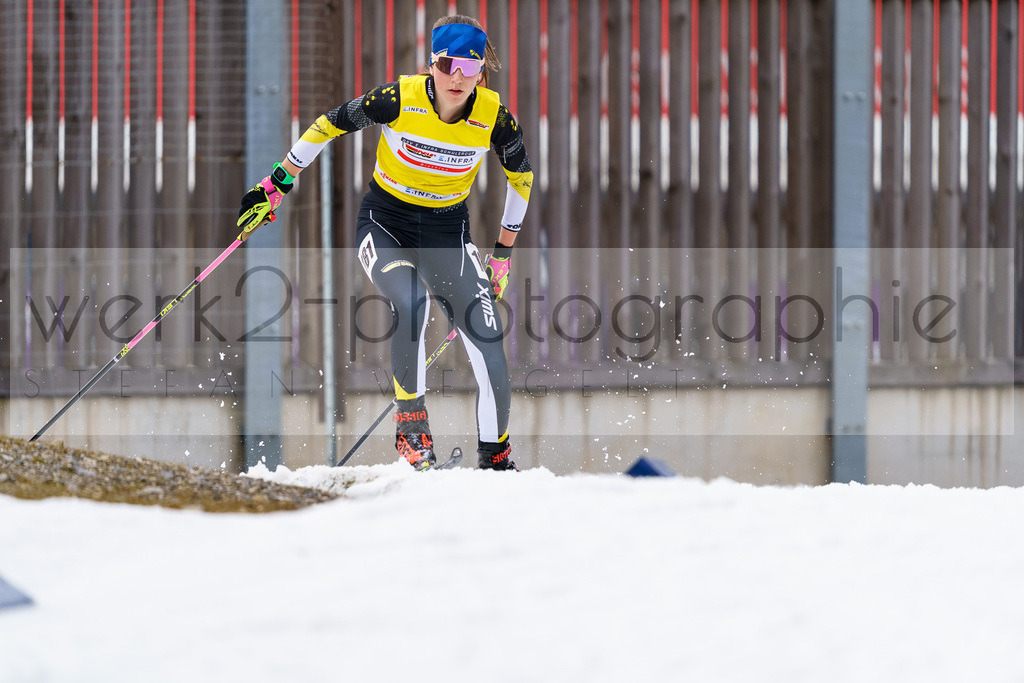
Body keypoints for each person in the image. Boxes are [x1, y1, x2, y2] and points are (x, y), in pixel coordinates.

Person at [237, 15, 531, 471]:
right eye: (449, 64)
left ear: (481, 72)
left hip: (446, 234)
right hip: (385, 225)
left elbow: (522, 177)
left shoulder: (493, 116)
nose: (459, 77)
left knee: (488, 340)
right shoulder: (399, 99)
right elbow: (327, 124)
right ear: (432, 64)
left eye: (470, 68)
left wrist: (503, 254)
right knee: (412, 304)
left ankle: (496, 459)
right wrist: (278, 181)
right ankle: (412, 433)